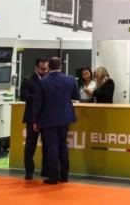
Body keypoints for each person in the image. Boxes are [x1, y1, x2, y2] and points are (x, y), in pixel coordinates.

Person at [32, 57, 79, 185]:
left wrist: (35, 121)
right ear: (61, 66)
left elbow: (38, 103)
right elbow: (76, 96)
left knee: (52, 147)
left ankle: (53, 177)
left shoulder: (43, 82)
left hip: (49, 118)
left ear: (49, 67)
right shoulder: (70, 80)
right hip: (65, 117)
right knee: (63, 146)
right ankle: (64, 176)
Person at [19, 58, 48, 180]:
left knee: (47, 146)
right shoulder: (28, 80)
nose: (44, 71)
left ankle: (46, 171)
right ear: (36, 67)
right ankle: (29, 172)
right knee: (30, 146)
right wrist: (39, 97)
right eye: (42, 69)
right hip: (31, 117)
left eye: (46, 69)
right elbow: (23, 96)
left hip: (46, 117)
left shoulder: (49, 79)